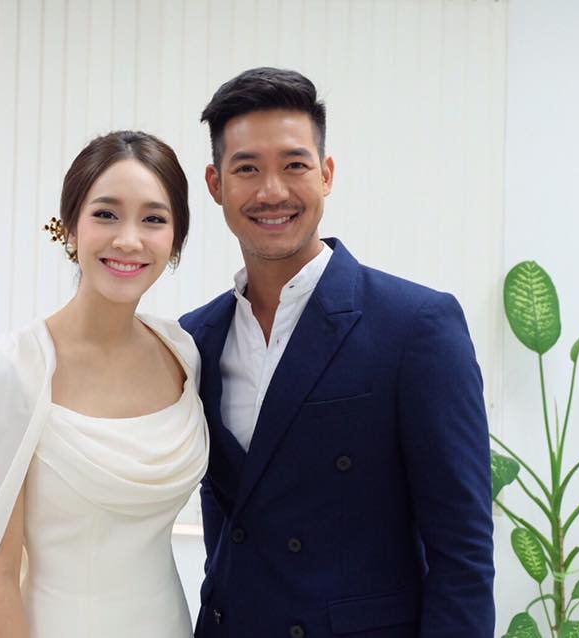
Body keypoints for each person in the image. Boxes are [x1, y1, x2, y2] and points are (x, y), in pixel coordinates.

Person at [179, 68, 494, 637]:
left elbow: (463, 555)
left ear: (326, 175)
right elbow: (226, 529)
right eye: (247, 168)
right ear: (214, 183)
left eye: (294, 165)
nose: (272, 191)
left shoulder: (415, 326)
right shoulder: (195, 337)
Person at [0, 130, 209, 638]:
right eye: (106, 214)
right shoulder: (10, 370)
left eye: (154, 219)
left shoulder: (182, 353)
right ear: (69, 228)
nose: (128, 239)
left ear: (175, 241)